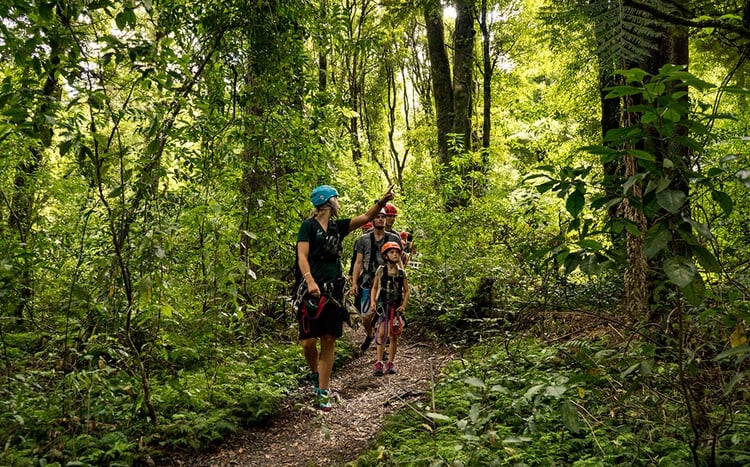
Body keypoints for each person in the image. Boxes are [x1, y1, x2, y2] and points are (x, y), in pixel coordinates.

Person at [296, 184, 394, 411]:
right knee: (308, 343)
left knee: (329, 339)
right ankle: (314, 373)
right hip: (309, 292)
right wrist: (310, 281)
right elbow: (302, 256)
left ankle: (322, 391)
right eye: (337, 199)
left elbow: (366, 217)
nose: (339, 204)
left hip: (332, 293)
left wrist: (382, 201)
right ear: (328, 202)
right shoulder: (308, 227)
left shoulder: (337, 227)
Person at [351, 210, 401, 352]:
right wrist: (354, 282)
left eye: (383, 217)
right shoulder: (363, 240)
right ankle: (370, 334)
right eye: (377, 217)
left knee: (384, 316)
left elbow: (399, 260)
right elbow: (358, 262)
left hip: (387, 283)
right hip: (367, 281)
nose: (381, 219)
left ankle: (382, 349)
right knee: (366, 316)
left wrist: (402, 279)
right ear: (372, 220)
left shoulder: (393, 238)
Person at [370, 241, 409, 376]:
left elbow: (406, 290)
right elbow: (375, 287)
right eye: (392, 252)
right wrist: (373, 301)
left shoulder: (401, 273)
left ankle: (391, 363)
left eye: (397, 253)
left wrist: (403, 305)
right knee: (381, 333)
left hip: (396, 308)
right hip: (383, 306)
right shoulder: (381, 270)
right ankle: (379, 362)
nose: (395, 255)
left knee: (394, 335)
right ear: (385, 255)